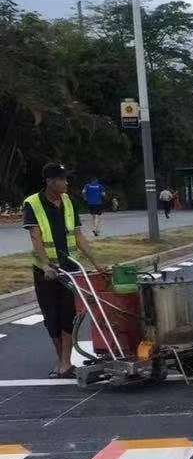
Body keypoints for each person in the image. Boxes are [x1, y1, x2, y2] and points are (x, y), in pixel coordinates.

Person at [23, 162, 107, 378]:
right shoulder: (32, 203)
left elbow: (79, 236)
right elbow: (36, 238)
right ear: (50, 182)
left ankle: (65, 362)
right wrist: (44, 264)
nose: (66, 183)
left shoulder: (68, 201)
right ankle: (62, 360)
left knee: (68, 314)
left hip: (70, 268)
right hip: (47, 270)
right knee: (52, 316)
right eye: (62, 179)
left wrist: (96, 262)